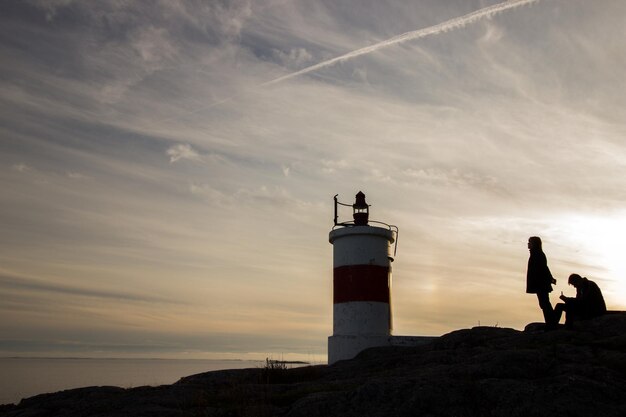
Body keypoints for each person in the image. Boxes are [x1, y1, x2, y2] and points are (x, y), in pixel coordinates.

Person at [526, 236, 557, 328]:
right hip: (540, 283)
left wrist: (550, 279)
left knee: (544, 303)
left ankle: (551, 322)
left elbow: (544, 268)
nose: (528, 244)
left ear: (534, 244)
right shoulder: (536, 254)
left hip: (540, 283)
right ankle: (551, 322)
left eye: (530, 242)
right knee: (544, 303)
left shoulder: (537, 254)